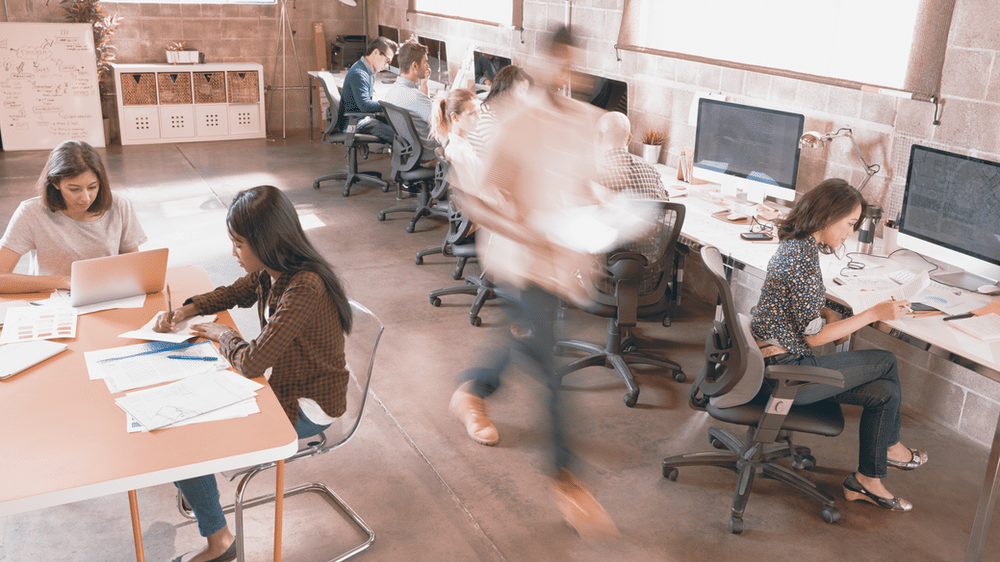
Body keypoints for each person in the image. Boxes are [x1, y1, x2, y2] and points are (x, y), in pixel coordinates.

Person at [447, 26, 618, 539]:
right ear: (539, 63)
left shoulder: (586, 122)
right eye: (556, 62)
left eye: (572, 64)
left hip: (562, 263)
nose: (564, 73)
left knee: (530, 345)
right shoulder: (512, 121)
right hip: (521, 261)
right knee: (550, 370)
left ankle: (474, 388)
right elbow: (474, 198)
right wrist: (527, 231)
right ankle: (566, 478)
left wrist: (603, 216)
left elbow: (586, 187)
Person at [154, 185, 353, 562]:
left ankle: (220, 543)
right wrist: (190, 309)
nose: (234, 252)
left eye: (239, 244)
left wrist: (222, 333)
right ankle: (204, 499)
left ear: (267, 241)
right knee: (179, 424)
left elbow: (250, 363)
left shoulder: (304, 286)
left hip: (308, 406)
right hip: (282, 388)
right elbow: (233, 293)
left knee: (182, 442)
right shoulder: (271, 271)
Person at [750, 178, 927, 513]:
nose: (850, 232)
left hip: (777, 361)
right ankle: (890, 446)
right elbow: (814, 338)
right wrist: (874, 312)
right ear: (828, 216)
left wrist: (826, 311)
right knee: (887, 360)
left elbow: (798, 310)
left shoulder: (796, 247)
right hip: (786, 375)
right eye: (849, 223)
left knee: (886, 394)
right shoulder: (801, 259)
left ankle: (866, 480)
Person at [0, 140, 146, 294]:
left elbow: (133, 268)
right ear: (55, 182)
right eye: (74, 189)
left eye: (93, 187)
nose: (86, 198)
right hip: (53, 300)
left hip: (105, 296)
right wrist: (63, 281)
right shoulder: (31, 212)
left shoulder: (119, 205)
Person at [336, 36, 398, 144]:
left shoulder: (366, 70)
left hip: (360, 118)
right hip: (354, 123)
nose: (386, 65)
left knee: (399, 128)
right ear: (375, 52)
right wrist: (388, 105)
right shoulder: (360, 73)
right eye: (387, 60)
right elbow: (364, 106)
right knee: (398, 137)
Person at [383, 39, 439, 156]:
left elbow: (421, 107)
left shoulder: (392, 91)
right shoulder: (416, 97)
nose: (427, 66)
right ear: (414, 65)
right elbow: (439, 125)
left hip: (410, 154)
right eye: (425, 62)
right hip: (429, 155)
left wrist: (424, 83)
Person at [595, 111, 667, 201]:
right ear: (629, 139)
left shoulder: (594, 174)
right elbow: (666, 208)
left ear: (598, 137)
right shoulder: (651, 172)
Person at [467, 64, 531, 159]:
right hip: (482, 168)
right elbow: (503, 154)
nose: (525, 97)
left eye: (527, 92)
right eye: (521, 91)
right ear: (507, 90)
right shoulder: (485, 114)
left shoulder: (498, 110)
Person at [429, 88, 481, 197]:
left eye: (478, 112)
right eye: (472, 114)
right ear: (455, 117)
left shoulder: (462, 145)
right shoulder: (460, 151)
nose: (479, 118)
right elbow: (473, 195)